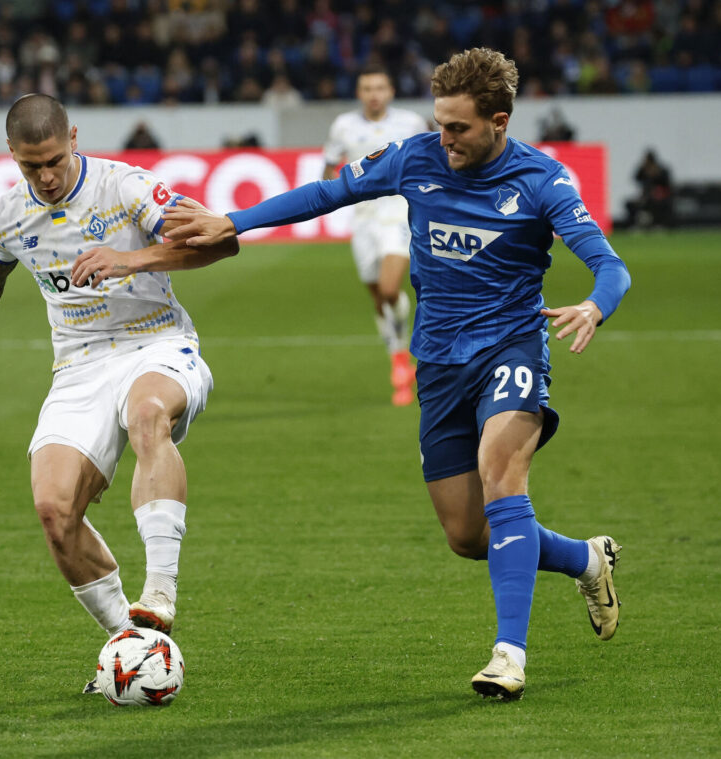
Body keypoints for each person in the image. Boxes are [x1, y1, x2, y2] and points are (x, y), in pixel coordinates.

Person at [162, 48, 631, 702]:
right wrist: (233, 220)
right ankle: (584, 558)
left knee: (504, 477)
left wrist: (593, 305)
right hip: (438, 361)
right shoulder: (415, 157)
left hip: (512, 349)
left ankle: (509, 654)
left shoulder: (542, 182)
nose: (445, 139)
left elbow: (611, 266)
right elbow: (329, 191)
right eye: (440, 124)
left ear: (499, 121)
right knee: (469, 536)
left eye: (459, 128)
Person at [0, 94, 238, 693]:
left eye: (53, 160)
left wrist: (131, 259)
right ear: (12, 156)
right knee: (53, 511)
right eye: (29, 166)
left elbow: (222, 242)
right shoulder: (14, 214)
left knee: (149, 415)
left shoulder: (127, 187)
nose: (45, 176)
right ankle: (134, 644)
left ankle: (160, 593)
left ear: (74, 137)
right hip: (78, 366)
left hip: (157, 344)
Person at [321, 64, 429, 406]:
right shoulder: (343, 125)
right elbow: (328, 168)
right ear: (359, 93)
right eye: (367, 88)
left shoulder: (411, 123)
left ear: (391, 91)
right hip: (363, 216)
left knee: (389, 287)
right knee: (379, 297)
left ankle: (403, 356)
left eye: (380, 88)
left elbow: (433, 160)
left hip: (397, 211)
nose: (374, 94)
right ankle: (399, 358)